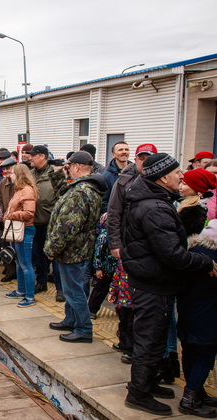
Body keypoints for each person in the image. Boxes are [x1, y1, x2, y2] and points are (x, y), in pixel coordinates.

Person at [121, 153, 217, 416]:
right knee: (149, 340)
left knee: (153, 338)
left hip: (152, 279)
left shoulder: (154, 200)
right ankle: (138, 393)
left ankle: (148, 384)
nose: (181, 176)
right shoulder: (155, 207)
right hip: (153, 283)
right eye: (176, 173)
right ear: (163, 178)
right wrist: (205, 262)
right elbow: (172, 254)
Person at [44, 151, 106, 342]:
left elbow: (66, 226)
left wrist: (51, 249)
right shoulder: (85, 187)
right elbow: (63, 192)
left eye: (69, 166)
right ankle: (71, 320)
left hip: (72, 250)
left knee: (74, 292)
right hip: (80, 248)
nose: (68, 169)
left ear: (77, 167)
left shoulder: (80, 192)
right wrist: (57, 173)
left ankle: (83, 329)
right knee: (75, 289)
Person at [177, 220, 217, 417]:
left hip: (187, 311)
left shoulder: (192, 251)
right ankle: (190, 398)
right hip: (209, 315)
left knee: (189, 351)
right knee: (205, 355)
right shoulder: (213, 258)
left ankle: (197, 391)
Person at [26, 145, 66, 300]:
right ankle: (41, 282)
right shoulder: (30, 174)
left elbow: (62, 196)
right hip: (35, 222)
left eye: (33, 155)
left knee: (54, 257)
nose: (30, 158)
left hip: (51, 223)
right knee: (38, 255)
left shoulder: (54, 174)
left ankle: (60, 289)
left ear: (42, 156)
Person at [107, 144, 157, 260]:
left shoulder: (163, 182)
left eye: (149, 159)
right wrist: (115, 243)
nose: (145, 163)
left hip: (155, 242)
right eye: (141, 159)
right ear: (135, 160)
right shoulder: (124, 182)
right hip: (130, 243)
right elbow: (114, 213)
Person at [4, 164, 38, 307]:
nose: (10, 175)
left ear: (19, 175)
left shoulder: (27, 191)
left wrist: (11, 215)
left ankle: (30, 297)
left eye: (12, 173)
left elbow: (29, 213)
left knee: (25, 264)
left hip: (24, 230)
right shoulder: (19, 190)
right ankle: (21, 290)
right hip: (17, 231)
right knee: (19, 263)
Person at [89, 213, 118, 319]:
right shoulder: (103, 237)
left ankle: (120, 310)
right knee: (100, 290)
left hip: (116, 269)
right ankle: (91, 309)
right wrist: (98, 268)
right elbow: (97, 254)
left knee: (118, 290)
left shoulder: (116, 235)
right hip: (105, 270)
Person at [177, 168, 217, 236]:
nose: (180, 186)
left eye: (184, 184)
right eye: (180, 182)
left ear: (197, 189)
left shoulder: (193, 212)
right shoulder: (185, 204)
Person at [108, 260, 134, 364]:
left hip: (133, 301)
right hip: (122, 299)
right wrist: (113, 290)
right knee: (123, 323)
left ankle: (130, 350)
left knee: (131, 326)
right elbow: (117, 275)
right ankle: (123, 343)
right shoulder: (122, 259)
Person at [102, 141, 130, 212]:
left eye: (126, 149)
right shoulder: (106, 176)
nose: (124, 152)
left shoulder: (135, 173)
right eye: (120, 150)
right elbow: (103, 202)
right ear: (113, 155)